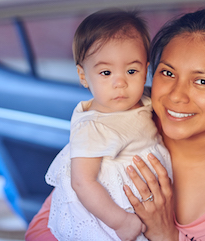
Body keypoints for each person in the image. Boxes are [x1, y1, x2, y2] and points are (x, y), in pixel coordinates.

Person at [26, 7, 205, 241]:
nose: (176, 95)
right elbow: (48, 224)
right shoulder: (127, 119)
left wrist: (167, 236)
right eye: (167, 73)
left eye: (202, 81)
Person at [42, 9, 173, 241]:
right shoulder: (93, 126)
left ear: (146, 71)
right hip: (113, 213)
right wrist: (121, 221)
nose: (120, 82)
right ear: (83, 76)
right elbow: (82, 182)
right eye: (105, 72)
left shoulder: (144, 100)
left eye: (132, 70)